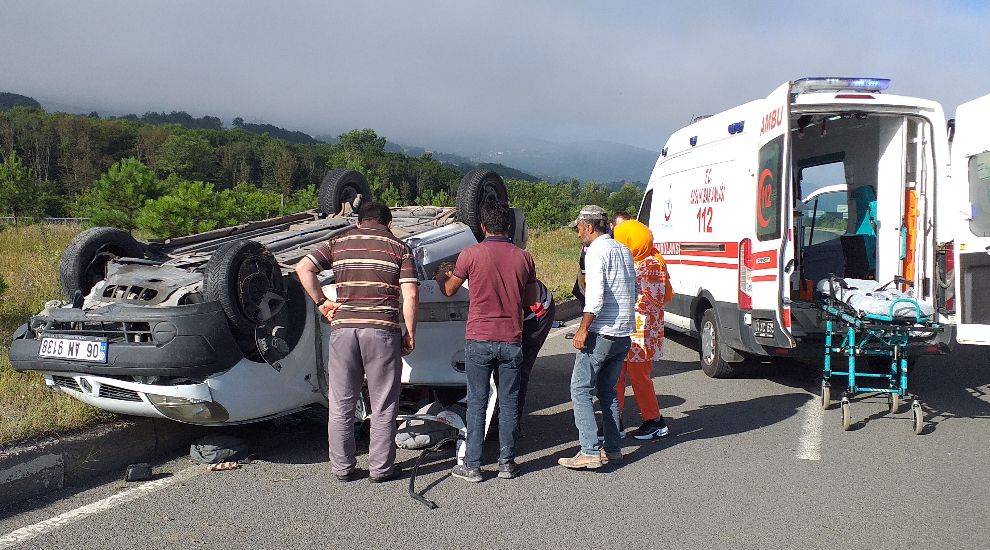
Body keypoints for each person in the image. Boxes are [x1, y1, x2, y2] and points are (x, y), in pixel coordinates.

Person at [294, 202, 418, 483]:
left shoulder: (337, 242)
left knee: (341, 402)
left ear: (359, 222)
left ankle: (342, 469)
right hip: (382, 332)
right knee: (383, 404)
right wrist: (409, 332)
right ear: (387, 223)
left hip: (344, 330)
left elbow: (303, 268)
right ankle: (381, 469)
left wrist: (322, 302)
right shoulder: (399, 248)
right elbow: (410, 295)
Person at [435, 200, 538, 482]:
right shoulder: (524, 258)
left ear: (482, 227)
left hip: (479, 339)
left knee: (478, 402)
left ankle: (473, 466)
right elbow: (531, 301)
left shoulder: (470, 254)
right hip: (511, 339)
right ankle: (507, 463)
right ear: (508, 226)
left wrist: (440, 275)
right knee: (508, 401)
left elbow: (449, 290)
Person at [558, 205, 637, 470]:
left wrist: (583, 330)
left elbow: (595, 297)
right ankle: (613, 448)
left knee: (580, 389)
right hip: (624, 332)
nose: (578, 233)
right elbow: (634, 289)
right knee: (608, 391)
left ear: (589, 227)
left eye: (579, 228)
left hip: (602, 332)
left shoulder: (595, 252)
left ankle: (590, 450)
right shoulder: (623, 250)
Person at [612, 219, 674, 440]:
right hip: (629, 331)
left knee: (639, 379)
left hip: (642, 334)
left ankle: (654, 421)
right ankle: (614, 421)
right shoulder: (639, 260)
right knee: (615, 375)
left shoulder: (650, 264)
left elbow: (647, 301)